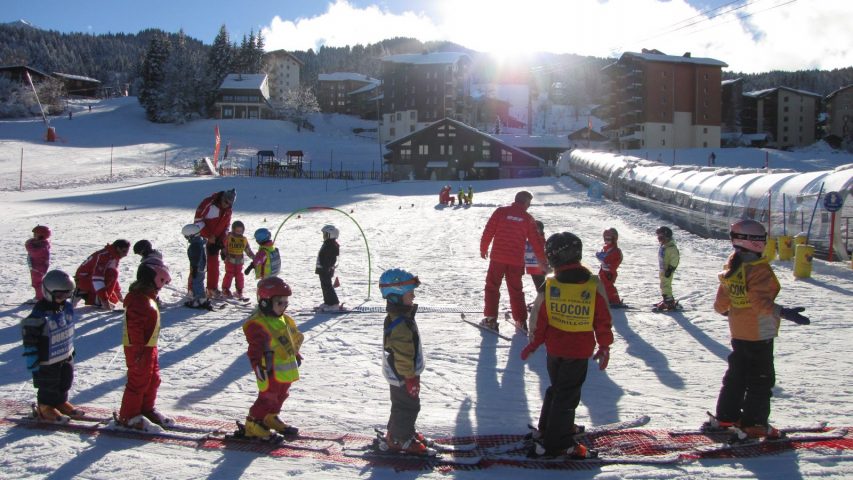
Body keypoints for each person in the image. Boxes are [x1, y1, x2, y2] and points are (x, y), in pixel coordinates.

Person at [710, 219, 810, 439]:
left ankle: (726, 415)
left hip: (739, 332)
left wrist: (729, 310)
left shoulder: (733, 263)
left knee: (737, 374)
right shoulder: (758, 269)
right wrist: (784, 312)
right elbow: (760, 304)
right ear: (755, 241)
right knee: (760, 379)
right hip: (758, 334)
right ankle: (754, 423)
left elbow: (721, 302)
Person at [520, 232, 613, 459]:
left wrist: (534, 342)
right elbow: (603, 318)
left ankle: (549, 428)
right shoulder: (592, 284)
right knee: (567, 396)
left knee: (558, 389)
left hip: (555, 349)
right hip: (578, 350)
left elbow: (538, 317)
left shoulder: (550, 284)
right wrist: (604, 344)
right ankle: (559, 442)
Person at [242, 276, 304, 440]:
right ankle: (253, 423)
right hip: (269, 370)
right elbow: (254, 349)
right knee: (267, 398)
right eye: (279, 302)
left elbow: (287, 339)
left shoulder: (283, 319)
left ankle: (270, 417)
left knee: (282, 395)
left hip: (285, 370)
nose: (284, 306)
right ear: (265, 302)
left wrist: (295, 354)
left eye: (285, 302)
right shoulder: (259, 324)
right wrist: (256, 366)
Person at [117, 258, 174, 430]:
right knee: (138, 381)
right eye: (161, 282)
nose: (162, 286)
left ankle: (146, 409)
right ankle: (129, 416)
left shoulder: (146, 297)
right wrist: (138, 352)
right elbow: (134, 328)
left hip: (150, 346)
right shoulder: (138, 301)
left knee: (153, 379)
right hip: (138, 348)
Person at [480, 191, 547, 332]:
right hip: (516, 261)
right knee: (516, 290)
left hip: (498, 258)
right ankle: (521, 320)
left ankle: (491, 319)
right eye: (529, 203)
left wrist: (483, 247)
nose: (530, 206)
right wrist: (542, 260)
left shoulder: (501, 212)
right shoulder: (528, 218)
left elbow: (489, 230)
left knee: (492, 287)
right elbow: (536, 242)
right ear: (524, 202)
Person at [378, 268, 428, 455]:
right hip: (403, 373)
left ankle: (398, 432)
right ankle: (399, 439)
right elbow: (403, 354)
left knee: (401, 404)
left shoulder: (401, 317)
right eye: (410, 294)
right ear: (396, 297)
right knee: (408, 405)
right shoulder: (400, 323)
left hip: (402, 372)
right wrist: (410, 378)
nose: (413, 297)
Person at [22, 270, 81, 422]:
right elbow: (29, 339)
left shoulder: (66, 307)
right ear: (48, 292)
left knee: (65, 380)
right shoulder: (38, 316)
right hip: (47, 359)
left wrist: (71, 350)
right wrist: (32, 359)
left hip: (64, 353)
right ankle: (45, 407)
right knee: (49, 384)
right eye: (61, 295)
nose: (64, 299)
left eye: (68, 295)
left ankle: (60, 402)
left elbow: (68, 328)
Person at [193, 189, 236, 298]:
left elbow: (226, 227)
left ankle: (212, 288)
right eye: (226, 202)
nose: (227, 205)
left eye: (230, 204)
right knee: (198, 264)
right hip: (201, 237)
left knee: (214, 264)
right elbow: (197, 220)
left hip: (215, 240)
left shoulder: (228, 210)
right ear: (222, 198)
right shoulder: (209, 203)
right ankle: (193, 289)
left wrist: (222, 241)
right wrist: (208, 235)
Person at [74, 239, 130, 310]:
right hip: (83, 280)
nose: (126, 254)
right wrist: (104, 301)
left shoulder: (113, 255)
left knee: (113, 299)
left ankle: (95, 297)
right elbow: (97, 279)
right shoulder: (104, 256)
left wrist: (119, 295)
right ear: (118, 248)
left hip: (89, 277)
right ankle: (90, 296)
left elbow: (113, 278)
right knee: (112, 273)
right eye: (124, 251)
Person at [522, 221, 547, 332]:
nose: (535, 232)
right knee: (540, 289)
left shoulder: (542, 242)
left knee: (542, 290)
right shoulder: (528, 241)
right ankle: (541, 304)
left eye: (538, 230)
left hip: (540, 270)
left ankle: (542, 307)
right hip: (533, 269)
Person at [221, 220, 254, 300]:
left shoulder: (243, 239)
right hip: (230, 260)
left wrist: (254, 257)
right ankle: (225, 289)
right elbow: (224, 245)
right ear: (233, 230)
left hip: (239, 262)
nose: (239, 232)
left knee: (239, 275)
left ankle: (239, 290)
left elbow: (247, 249)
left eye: (240, 231)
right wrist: (223, 253)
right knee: (229, 274)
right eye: (237, 231)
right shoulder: (229, 237)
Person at [183, 224, 210, 310]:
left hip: (198, 267)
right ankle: (202, 299)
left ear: (191, 235)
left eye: (186, 236)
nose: (186, 238)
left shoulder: (195, 245)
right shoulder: (201, 241)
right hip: (203, 266)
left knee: (196, 283)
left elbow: (195, 257)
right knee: (200, 282)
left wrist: (194, 268)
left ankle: (198, 301)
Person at [596, 228, 624, 306]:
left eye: (609, 239)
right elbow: (602, 256)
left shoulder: (616, 251)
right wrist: (599, 255)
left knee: (608, 285)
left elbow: (617, 260)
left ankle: (615, 300)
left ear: (614, 239)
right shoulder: (606, 248)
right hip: (603, 271)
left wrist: (610, 267)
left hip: (610, 272)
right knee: (602, 284)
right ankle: (606, 298)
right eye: (605, 239)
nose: (607, 241)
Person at [315, 225, 341, 311]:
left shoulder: (331, 245)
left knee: (328, 286)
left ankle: (334, 303)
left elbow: (330, 259)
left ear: (331, 235)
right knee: (324, 286)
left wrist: (327, 268)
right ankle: (328, 302)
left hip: (326, 269)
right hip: (322, 269)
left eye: (325, 234)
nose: (324, 236)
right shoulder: (327, 244)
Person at [655, 226, 680, 311]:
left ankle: (669, 302)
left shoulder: (671, 248)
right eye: (658, 237)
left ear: (667, 237)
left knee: (666, 285)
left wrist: (670, 269)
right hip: (663, 269)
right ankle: (666, 299)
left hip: (667, 270)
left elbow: (675, 260)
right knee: (663, 285)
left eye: (661, 237)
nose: (659, 239)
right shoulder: (664, 246)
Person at [25, 225, 52, 303]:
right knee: (37, 282)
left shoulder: (43, 246)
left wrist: (28, 244)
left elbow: (33, 252)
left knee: (37, 283)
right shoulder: (41, 243)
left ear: (42, 235)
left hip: (39, 267)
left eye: (35, 234)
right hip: (36, 266)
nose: (33, 236)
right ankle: (40, 296)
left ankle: (39, 298)